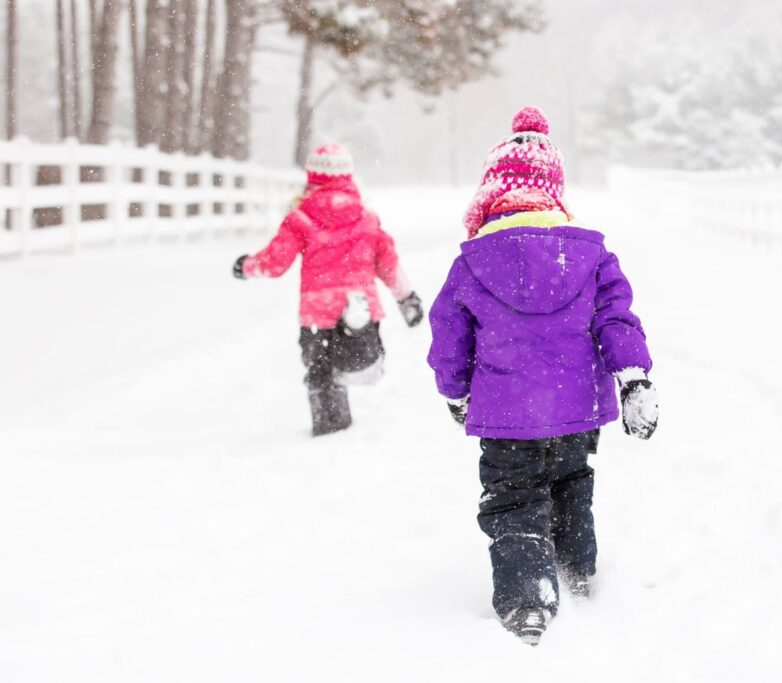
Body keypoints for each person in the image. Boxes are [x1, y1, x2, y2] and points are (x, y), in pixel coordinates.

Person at [427, 107, 659, 645]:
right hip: (576, 410)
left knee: (512, 499)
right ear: (555, 190)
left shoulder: (473, 260)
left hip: (506, 416)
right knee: (571, 484)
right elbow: (616, 318)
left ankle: (527, 600)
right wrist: (634, 378)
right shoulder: (590, 254)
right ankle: (578, 567)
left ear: (494, 190)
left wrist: (455, 390)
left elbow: (449, 336)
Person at [234, 143, 423, 436]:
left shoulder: (301, 217)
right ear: (348, 176)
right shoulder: (366, 218)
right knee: (356, 364)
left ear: (312, 176)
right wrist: (406, 297)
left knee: (320, 375)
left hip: (317, 314)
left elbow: (275, 262)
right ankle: (343, 431)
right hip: (357, 307)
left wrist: (246, 266)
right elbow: (388, 265)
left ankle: (330, 429)